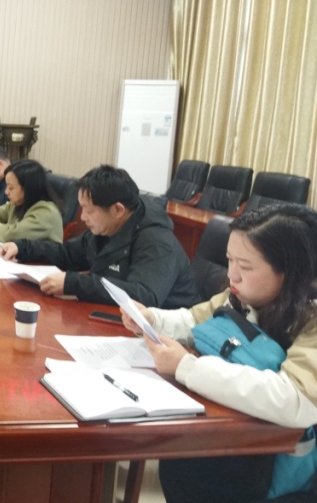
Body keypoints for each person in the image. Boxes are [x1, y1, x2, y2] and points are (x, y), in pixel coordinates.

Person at [122, 204, 317, 503]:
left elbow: (296, 400)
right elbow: (195, 320)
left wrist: (187, 368)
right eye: (229, 260)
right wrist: (152, 319)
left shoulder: (311, 320)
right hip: (223, 443)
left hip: (274, 469)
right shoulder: (241, 295)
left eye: (246, 267)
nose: (232, 275)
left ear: (290, 273)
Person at [0, 164, 200, 308]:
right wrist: (22, 247)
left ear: (117, 210)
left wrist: (73, 284)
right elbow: (67, 254)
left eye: (89, 210)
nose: (82, 217)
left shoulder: (156, 241)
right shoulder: (107, 228)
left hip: (167, 337)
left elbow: (143, 296)